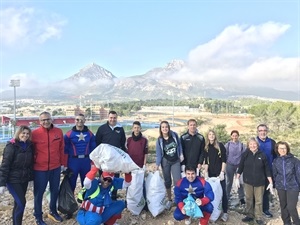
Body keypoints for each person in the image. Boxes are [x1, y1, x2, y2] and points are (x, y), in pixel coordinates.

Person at [32, 112, 67, 225]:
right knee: (39, 193)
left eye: (47, 119)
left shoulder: (58, 132)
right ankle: (38, 216)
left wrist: (63, 164)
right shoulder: (34, 134)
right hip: (40, 169)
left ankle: (53, 211)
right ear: (39, 121)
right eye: (43, 120)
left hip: (55, 168)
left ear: (51, 119)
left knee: (54, 190)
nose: (45, 122)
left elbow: (62, 149)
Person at [64, 113, 96, 219]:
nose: (79, 122)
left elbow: (93, 148)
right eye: (77, 120)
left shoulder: (90, 134)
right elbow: (64, 150)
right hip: (73, 162)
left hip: (86, 161)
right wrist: (65, 164)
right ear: (75, 120)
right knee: (71, 185)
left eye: (81, 120)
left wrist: (93, 162)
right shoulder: (68, 134)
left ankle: (85, 206)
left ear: (85, 120)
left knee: (86, 184)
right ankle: (69, 208)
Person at [0, 125, 34, 225]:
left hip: (24, 179)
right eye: (23, 133)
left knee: (18, 204)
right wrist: (2, 183)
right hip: (13, 180)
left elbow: (30, 164)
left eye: (27, 133)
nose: (25, 135)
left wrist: (31, 178)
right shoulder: (11, 146)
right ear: (18, 133)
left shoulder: (29, 146)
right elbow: (5, 165)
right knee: (22, 203)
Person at [237, 137, 274, 225]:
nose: (253, 146)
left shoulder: (262, 155)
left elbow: (267, 169)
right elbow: (241, 166)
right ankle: (250, 215)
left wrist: (270, 182)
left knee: (259, 200)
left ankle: (258, 217)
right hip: (248, 181)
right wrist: (237, 178)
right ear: (248, 145)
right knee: (249, 199)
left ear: (257, 145)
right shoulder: (245, 154)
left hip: (260, 182)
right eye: (251, 144)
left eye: (254, 144)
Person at [95, 110, 126, 200]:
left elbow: (122, 144)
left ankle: (113, 196)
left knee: (115, 179)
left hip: (116, 160)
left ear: (117, 118)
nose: (112, 119)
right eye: (111, 118)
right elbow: (97, 143)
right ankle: (103, 196)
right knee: (104, 179)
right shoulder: (102, 129)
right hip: (104, 160)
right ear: (108, 118)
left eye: (114, 118)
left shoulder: (120, 129)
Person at [155, 120, 183, 209]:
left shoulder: (174, 135)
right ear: (160, 129)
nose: (165, 128)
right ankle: (170, 199)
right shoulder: (159, 140)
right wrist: (157, 164)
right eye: (163, 127)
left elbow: (179, 145)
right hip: (165, 162)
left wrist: (181, 154)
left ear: (169, 127)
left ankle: (178, 199)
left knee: (177, 180)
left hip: (175, 161)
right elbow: (159, 154)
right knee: (167, 181)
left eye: (166, 127)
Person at [201, 129, 228, 222]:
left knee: (223, 192)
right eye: (210, 134)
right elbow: (206, 162)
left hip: (219, 173)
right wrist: (206, 173)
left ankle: (225, 212)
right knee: (210, 193)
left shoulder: (220, 146)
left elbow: (224, 160)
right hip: (211, 173)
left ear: (215, 136)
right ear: (207, 136)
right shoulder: (206, 147)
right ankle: (212, 211)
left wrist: (222, 172)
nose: (211, 136)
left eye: (213, 134)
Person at [272, 141, 300, 225]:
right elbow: (274, 174)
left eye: (284, 148)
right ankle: (286, 222)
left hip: (293, 187)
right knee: (283, 207)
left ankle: (297, 222)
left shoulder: (295, 160)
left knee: (291, 207)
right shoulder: (276, 161)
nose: (282, 150)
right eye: (280, 148)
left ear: (287, 149)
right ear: (277, 149)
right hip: (281, 187)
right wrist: (274, 185)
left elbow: (299, 174)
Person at [256, 124, 276, 218]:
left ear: (267, 131)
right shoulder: (254, 142)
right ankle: (253, 210)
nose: (262, 132)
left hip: (268, 171)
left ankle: (265, 209)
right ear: (258, 132)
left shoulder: (272, 142)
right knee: (255, 190)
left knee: (266, 191)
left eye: (264, 130)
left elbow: (276, 157)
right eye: (260, 130)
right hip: (256, 171)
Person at [224, 130, 246, 206]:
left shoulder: (242, 145)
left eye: (236, 135)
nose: (234, 137)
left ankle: (241, 198)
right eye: (233, 135)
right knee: (229, 182)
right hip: (229, 164)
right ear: (231, 136)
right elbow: (225, 154)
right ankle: (226, 197)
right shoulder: (228, 144)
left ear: (238, 136)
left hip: (239, 165)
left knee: (239, 182)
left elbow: (244, 155)